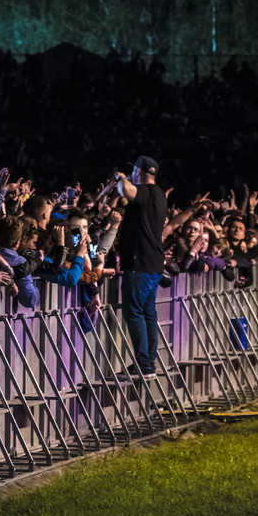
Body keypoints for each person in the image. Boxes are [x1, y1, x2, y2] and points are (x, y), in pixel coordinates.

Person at [112, 155, 168, 377]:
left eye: (133, 171)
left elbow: (126, 191)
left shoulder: (145, 191)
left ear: (139, 172)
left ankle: (144, 364)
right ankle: (148, 363)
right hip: (152, 263)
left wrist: (120, 178)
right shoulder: (160, 193)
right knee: (147, 312)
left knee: (134, 311)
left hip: (140, 263)